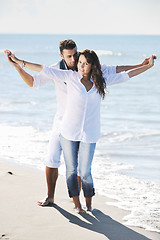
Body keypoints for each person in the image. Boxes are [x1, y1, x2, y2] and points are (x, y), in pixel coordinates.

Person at [5, 47, 156, 212]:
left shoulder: (101, 79)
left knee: (85, 172)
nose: (80, 65)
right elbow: (42, 69)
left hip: (89, 134)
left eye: (84, 63)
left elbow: (124, 74)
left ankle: (89, 205)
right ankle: (75, 205)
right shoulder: (68, 76)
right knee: (66, 167)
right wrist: (19, 62)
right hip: (67, 130)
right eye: (79, 62)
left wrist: (146, 66)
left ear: (92, 65)